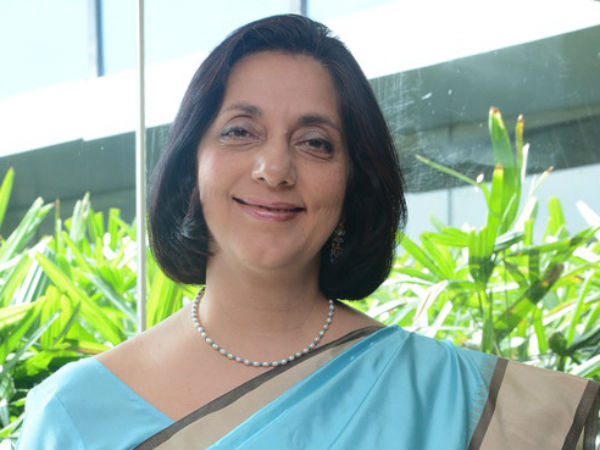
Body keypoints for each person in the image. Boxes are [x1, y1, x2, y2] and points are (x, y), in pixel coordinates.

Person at [17, 14, 599, 450]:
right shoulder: (76, 412)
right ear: (191, 168)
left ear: (352, 183)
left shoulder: (447, 398)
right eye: (240, 131)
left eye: (315, 142)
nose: (275, 169)